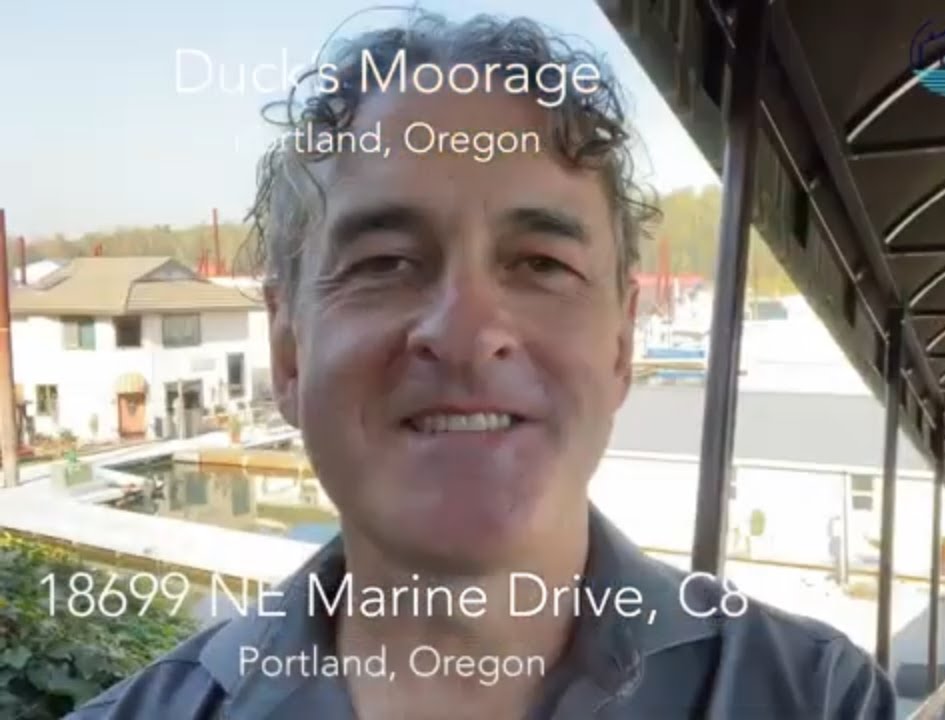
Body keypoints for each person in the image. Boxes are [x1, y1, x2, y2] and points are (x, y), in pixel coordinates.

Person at [70, 10, 894, 719]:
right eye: (385, 262)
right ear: (287, 350)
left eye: (540, 264)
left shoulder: (822, 701)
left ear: (619, 346)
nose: (466, 332)